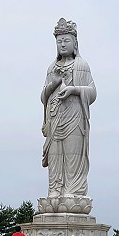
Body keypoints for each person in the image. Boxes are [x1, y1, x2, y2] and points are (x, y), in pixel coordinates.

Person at [41, 17, 96, 199]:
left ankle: (73, 191)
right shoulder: (51, 68)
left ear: (75, 43)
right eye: (59, 41)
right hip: (55, 117)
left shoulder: (81, 65)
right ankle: (55, 190)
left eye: (66, 40)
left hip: (74, 117)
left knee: (73, 156)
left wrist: (74, 89)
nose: (62, 45)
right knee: (56, 158)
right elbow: (43, 97)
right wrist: (54, 83)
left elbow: (93, 92)